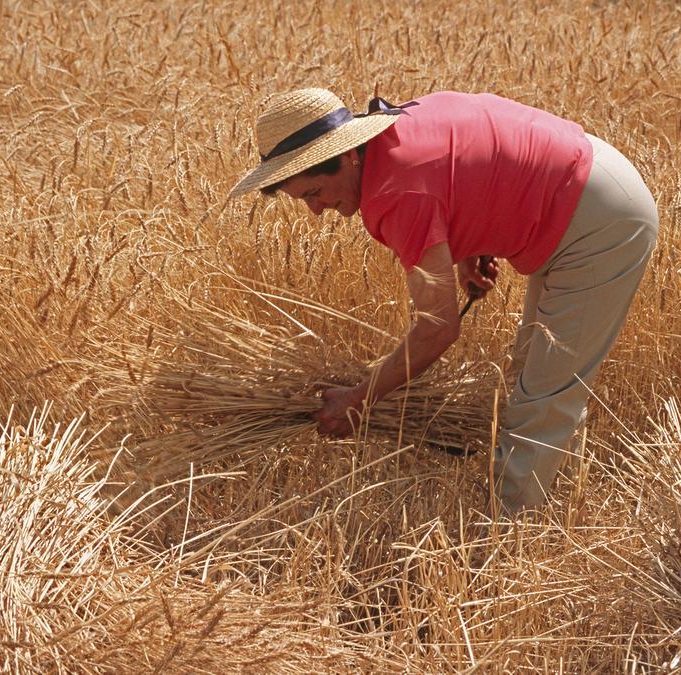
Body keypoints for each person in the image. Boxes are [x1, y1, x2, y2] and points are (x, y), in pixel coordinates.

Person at [228, 88, 658, 515]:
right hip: (587, 179)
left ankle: (508, 534)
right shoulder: (392, 137)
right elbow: (465, 165)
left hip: (599, 220)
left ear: (347, 156)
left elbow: (437, 328)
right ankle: (559, 503)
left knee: (544, 392)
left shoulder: (396, 193)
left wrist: (361, 397)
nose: (316, 211)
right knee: (537, 371)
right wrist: (470, 248)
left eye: (312, 193)